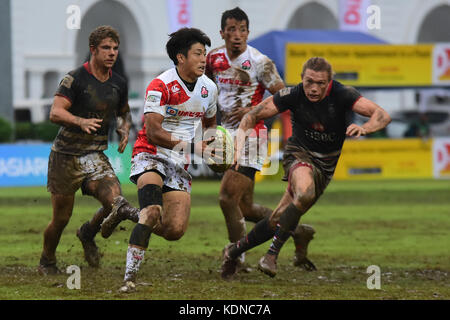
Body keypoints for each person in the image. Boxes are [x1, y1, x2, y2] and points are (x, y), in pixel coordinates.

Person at [222, 57, 391, 278]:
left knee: (278, 219)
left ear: (329, 82)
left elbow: (382, 115)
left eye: (321, 83)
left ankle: (233, 251)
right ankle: (271, 256)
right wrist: (239, 147)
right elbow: (252, 116)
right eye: (309, 81)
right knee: (304, 192)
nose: (314, 88)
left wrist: (366, 127)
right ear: (302, 79)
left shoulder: (342, 94)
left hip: (326, 166)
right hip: (299, 155)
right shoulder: (292, 95)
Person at [206, 7, 317, 278]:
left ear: (248, 32)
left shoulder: (260, 62)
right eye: (231, 29)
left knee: (225, 197)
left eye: (242, 29)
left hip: (252, 137)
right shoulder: (213, 59)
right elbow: (206, 92)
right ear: (222, 33)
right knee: (244, 208)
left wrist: (252, 111)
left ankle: (236, 255)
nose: (237, 35)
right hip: (227, 135)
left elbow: (285, 96)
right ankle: (297, 230)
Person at [109, 27, 218, 293]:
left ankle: (126, 212)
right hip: (150, 154)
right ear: (181, 57)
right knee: (153, 212)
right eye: (198, 53)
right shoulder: (160, 85)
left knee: (174, 230)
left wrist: (216, 150)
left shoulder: (209, 89)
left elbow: (212, 124)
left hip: (178, 163)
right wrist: (195, 145)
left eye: (205, 54)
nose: (204, 59)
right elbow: (155, 132)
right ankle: (129, 278)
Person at [38, 25, 139, 275]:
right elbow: (55, 112)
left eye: (115, 48)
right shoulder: (74, 78)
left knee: (116, 203)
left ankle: (87, 233)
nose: (112, 53)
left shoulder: (118, 83)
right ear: (93, 50)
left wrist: (124, 129)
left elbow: (124, 113)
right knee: (61, 219)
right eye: (106, 48)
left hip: (94, 155)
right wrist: (80, 121)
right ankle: (47, 261)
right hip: (66, 156)